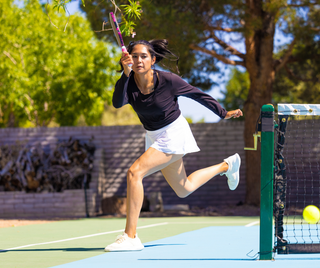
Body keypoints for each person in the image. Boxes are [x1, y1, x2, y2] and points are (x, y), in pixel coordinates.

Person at [104, 39, 243, 252]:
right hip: (153, 135)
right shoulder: (129, 82)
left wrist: (222, 113)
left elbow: (197, 94)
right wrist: (124, 74)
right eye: (134, 56)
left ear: (153, 59)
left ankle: (131, 236)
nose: (139, 60)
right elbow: (116, 102)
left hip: (173, 133)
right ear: (128, 59)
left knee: (134, 173)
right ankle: (227, 166)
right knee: (183, 189)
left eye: (144, 56)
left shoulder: (168, 80)